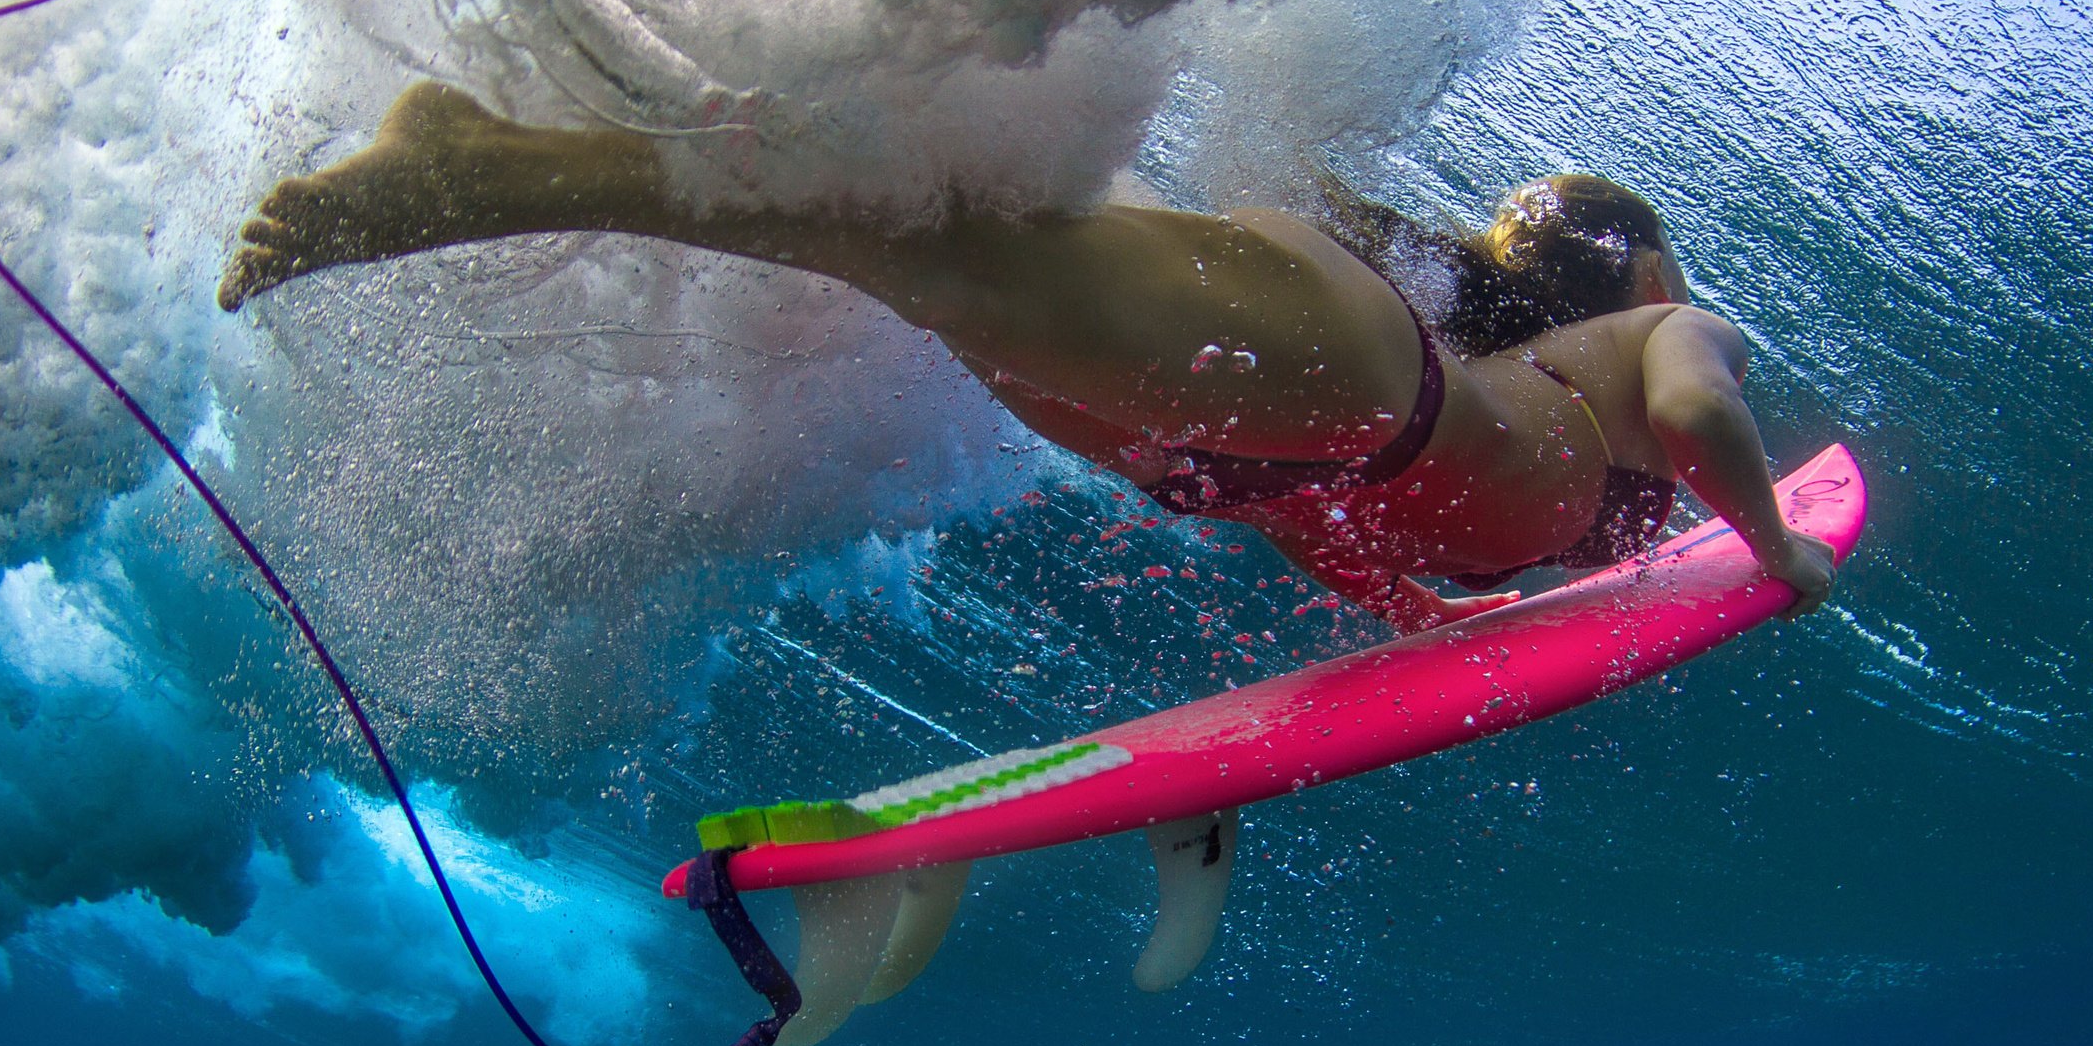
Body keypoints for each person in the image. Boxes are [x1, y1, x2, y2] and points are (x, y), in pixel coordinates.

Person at [218, 84, 1837, 633]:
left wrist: (1401, 612)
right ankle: (482, 160)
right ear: (1640, 260)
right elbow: (1700, 405)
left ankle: (627, 21)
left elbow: (1335, 525)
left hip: (1262, 454)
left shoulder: (1550, 376)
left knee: (937, 246)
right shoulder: (1661, 334)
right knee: (911, 240)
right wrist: (1766, 548)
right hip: (1337, 390)